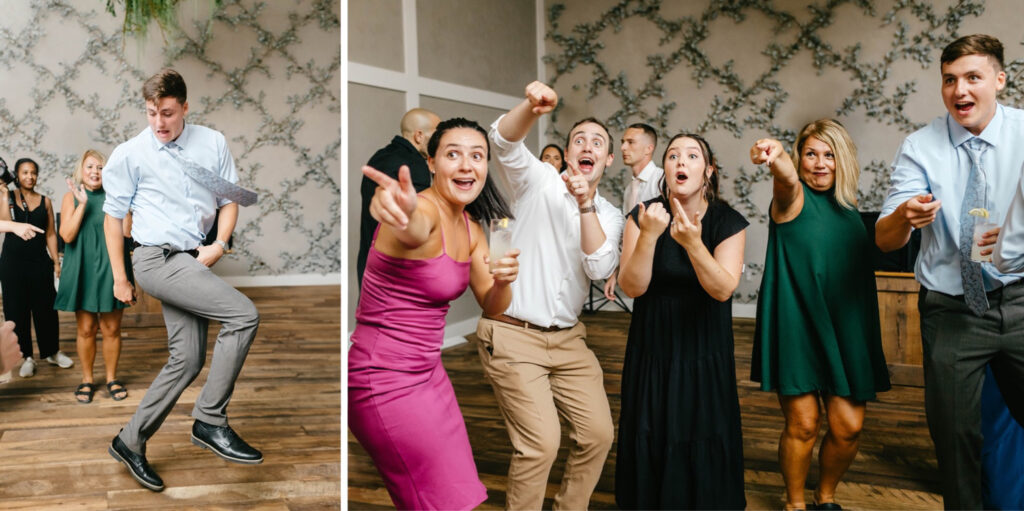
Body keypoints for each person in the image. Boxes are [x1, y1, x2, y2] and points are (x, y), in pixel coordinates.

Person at [876, 34, 1024, 509]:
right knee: (954, 437)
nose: (960, 90)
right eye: (949, 80)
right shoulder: (920, 146)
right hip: (953, 312)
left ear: (1000, 80)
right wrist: (905, 217)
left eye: (973, 77)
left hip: (1021, 301)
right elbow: (884, 238)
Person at [102, 68, 262, 492]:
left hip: (194, 258)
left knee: (187, 359)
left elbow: (230, 200)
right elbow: (113, 218)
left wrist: (220, 244)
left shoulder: (211, 142)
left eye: (168, 113)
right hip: (155, 259)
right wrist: (121, 277)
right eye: (152, 112)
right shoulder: (132, 153)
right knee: (244, 315)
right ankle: (209, 421)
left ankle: (130, 439)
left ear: (185, 107)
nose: (159, 123)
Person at [350, 117, 519, 510]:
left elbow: (492, 306)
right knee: (436, 502)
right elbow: (413, 227)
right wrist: (401, 210)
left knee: (459, 494)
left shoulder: (473, 226)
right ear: (430, 162)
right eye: (453, 154)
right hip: (384, 381)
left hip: (429, 375)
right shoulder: (423, 211)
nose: (466, 165)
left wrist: (504, 280)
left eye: (477, 156)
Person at [476, 81, 624, 510]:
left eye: (598, 142)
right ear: (569, 149)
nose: (587, 146)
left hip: (568, 340)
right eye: (580, 139)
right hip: (513, 335)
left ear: (607, 160)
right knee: (540, 444)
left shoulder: (609, 214)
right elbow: (502, 140)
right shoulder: (537, 181)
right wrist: (531, 106)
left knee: (598, 435)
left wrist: (584, 206)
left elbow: (598, 268)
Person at [750, 121, 891, 510]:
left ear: (842, 159)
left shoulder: (849, 210)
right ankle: (795, 503)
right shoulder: (791, 198)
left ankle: (825, 495)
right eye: (810, 154)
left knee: (848, 428)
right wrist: (776, 156)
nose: (820, 163)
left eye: (829, 155)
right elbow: (785, 180)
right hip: (797, 324)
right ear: (799, 158)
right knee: (804, 425)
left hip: (846, 328)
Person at [615, 133, 748, 509]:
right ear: (666, 169)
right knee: (650, 428)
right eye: (673, 155)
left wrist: (693, 243)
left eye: (691, 156)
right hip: (652, 347)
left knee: (702, 429)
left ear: (707, 171)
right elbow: (632, 286)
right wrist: (649, 237)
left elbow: (722, 289)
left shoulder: (728, 222)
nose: (680, 162)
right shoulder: (644, 216)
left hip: (703, 349)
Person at [55, 150, 133, 404]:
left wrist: (128, 199)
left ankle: (111, 378)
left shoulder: (116, 196)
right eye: (90, 167)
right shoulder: (71, 198)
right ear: (82, 170)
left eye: (100, 167)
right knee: (86, 329)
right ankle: (87, 379)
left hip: (113, 268)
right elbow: (66, 236)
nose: (95, 172)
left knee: (112, 328)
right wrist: (83, 204)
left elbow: (129, 232)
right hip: (83, 269)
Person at [0, 157, 71, 378]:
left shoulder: (45, 201)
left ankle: (51, 351)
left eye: (33, 173)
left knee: (46, 309)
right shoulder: (9, 196)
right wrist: (3, 196)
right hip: (12, 263)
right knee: (16, 310)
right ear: (17, 175)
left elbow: (50, 232)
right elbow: (5, 224)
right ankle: (26, 357)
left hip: (39, 261)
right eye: (24, 173)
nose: (29, 177)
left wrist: (56, 262)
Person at [357, 107, 441, 288]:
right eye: (437, 135)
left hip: (369, 261)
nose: (440, 141)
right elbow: (420, 224)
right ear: (419, 136)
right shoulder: (415, 166)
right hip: (397, 269)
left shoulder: (380, 156)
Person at [604, 123, 663, 300]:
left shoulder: (662, 180)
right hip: (638, 272)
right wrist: (616, 271)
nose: (623, 147)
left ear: (648, 149)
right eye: (623, 142)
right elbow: (626, 233)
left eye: (630, 142)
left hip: (659, 269)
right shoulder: (630, 188)